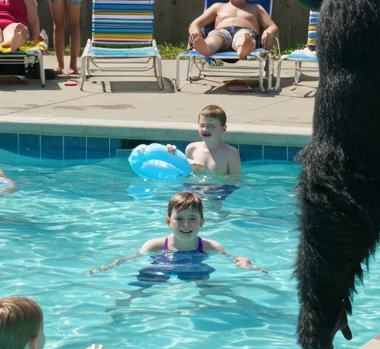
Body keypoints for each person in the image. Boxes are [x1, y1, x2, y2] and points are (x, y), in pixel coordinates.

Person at [91, 192, 259, 274]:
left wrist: (244, 262)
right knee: (145, 279)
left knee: (203, 280)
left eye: (192, 218)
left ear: (202, 222)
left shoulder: (211, 246)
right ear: (168, 222)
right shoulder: (155, 245)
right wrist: (107, 267)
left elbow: (232, 259)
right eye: (179, 219)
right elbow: (130, 259)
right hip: (162, 269)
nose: (186, 224)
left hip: (194, 270)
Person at [187, 0, 280, 69]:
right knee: (214, 38)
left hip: (245, 31)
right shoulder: (218, 7)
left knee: (243, 37)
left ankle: (243, 49)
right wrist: (195, 32)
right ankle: (206, 48)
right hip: (221, 32)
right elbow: (196, 23)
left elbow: (272, 26)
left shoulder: (256, 8)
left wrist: (269, 31)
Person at [166, 104, 242, 181]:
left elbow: (235, 183)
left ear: (223, 129)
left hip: (218, 191)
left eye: (210, 126)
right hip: (194, 190)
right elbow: (185, 175)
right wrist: (173, 155)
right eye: (202, 125)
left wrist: (205, 172)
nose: (205, 129)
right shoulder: (191, 149)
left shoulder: (231, 154)